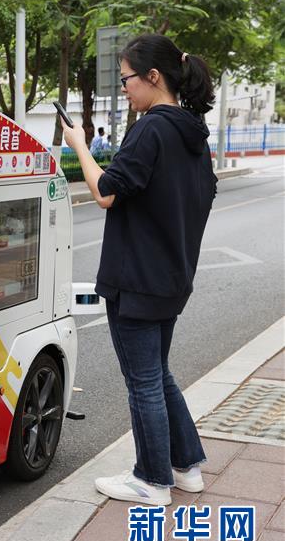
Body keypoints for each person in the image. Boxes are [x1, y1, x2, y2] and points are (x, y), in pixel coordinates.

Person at [60, 34, 217, 506]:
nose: (124, 87)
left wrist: (79, 144)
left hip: (137, 281)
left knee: (144, 380)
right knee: (158, 375)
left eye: (128, 78)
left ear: (154, 77)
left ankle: (151, 480)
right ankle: (186, 465)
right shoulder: (193, 134)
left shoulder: (151, 129)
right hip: (171, 278)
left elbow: (106, 191)